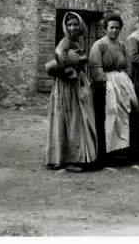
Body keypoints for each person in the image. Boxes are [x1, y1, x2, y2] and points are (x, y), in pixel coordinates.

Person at [45, 12, 98, 173]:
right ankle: (71, 158)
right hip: (67, 86)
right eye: (69, 25)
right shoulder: (65, 42)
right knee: (71, 119)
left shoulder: (76, 42)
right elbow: (60, 57)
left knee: (77, 118)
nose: (73, 28)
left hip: (76, 85)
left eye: (75, 24)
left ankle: (73, 156)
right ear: (65, 27)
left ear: (80, 25)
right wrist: (72, 69)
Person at [89, 14, 139, 165]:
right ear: (106, 28)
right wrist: (108, 84)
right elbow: (95, 67)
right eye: (112, 27)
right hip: (106, 87)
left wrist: (125, 80)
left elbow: (129, 66)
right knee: (108, 117)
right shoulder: (99, 45)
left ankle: (124, 152)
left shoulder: (122, 45)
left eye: (117, 28)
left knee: (129, 114)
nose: (115, 31)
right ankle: (106, 155)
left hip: (122, 83)